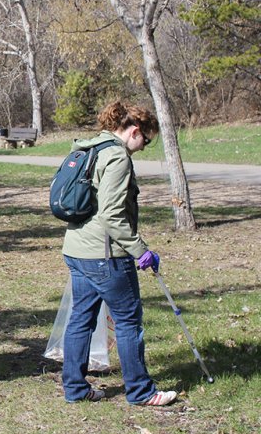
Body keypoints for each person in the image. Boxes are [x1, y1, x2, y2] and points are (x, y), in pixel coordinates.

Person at [61, 101, 177, 406]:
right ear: (135, 131)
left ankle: (75, 388)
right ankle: (141, 392)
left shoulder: (89, 148)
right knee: (128, 321)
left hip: (77, 249)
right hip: (105, 255)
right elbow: (113, 214)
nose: (144, 147)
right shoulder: (116, 157)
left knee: (81, 319)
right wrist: (141, 251)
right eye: (146, 141)